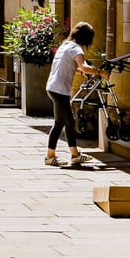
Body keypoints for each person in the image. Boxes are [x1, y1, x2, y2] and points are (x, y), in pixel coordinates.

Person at [45, 21, 100, 167]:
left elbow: (71, 66)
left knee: (70, 121)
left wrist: (82, 70)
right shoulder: (76, 49)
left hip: (53, 86)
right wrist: (100, 72)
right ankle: (50, 156)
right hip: (59, 89)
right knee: (59, 123)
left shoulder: (65, 45)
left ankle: (75, 154)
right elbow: (83, 66)